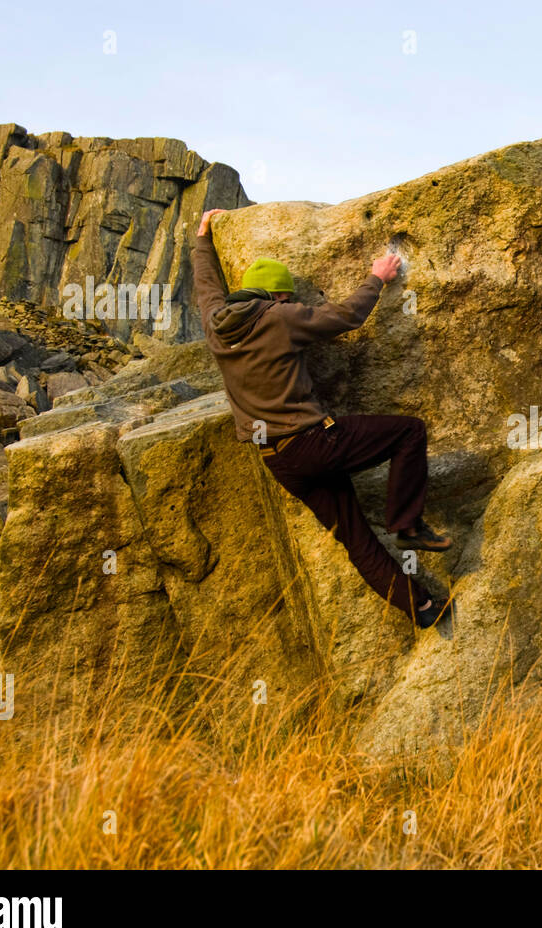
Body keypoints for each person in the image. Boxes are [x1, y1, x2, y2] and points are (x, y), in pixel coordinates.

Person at [190, 207, 452, 628]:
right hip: (315, 443)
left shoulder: (216, 323)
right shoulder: (279, 318)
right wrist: (378, 278)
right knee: (409, 431)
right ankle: (406, 523)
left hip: (279, 461)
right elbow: (346, 316)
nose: (294, 302)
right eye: (289, 296)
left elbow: (206, 286)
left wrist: (204, 238)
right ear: (276, 297)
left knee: (356, 539)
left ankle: (422, 607)